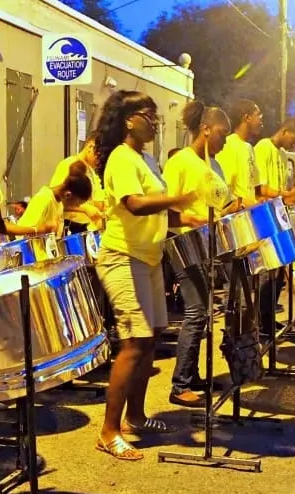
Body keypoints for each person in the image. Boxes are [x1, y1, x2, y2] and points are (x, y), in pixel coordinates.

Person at [93, 90, 197, 461]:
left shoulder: (147, 159)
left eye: (155, 114)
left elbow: (160, 211)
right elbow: (135, 205)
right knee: (133, 342)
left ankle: (135, 418)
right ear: (128, 120)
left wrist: (190, 218)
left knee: (150, 339)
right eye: (147, 114)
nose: (153, 121)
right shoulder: (122, 158)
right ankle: (108, 431)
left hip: (150, 257)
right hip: (123, 257)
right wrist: (176, 200)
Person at [164, 100, 236, 407]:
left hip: (207, 245)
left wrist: (237, 209)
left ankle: (191, 376)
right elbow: (164, 211)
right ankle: (180, 385)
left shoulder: (215, 165)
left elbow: (223, 206)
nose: (223, 141)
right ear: (205, 130)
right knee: (195, 312)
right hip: (183, 243)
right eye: (221, 134)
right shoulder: (180, 162)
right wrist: (192, 219)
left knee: (204, 312)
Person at [254, 117, 295, 332]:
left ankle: (268, 317)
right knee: (267, 273)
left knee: (279, 271)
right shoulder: (263, 148)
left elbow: (281, 187)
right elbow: (262, 188)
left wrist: (292, 197)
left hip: (279, 215)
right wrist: (287, 194)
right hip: (264, 216)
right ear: (285, 131)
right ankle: (260, 321)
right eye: (294, 138)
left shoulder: (284, 155)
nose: (294, 144)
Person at [19, 160, 92, 237]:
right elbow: (21, 231)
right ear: (68, 195)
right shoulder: (44, 198)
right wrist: (43, 229)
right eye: (77, 204)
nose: (77, 207)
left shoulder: (59, 203)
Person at [50, 133, 104, 233]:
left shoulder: (91, 171)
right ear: (90, 147)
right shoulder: (69, 164)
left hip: (85, 227)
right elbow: (57, 199)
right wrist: (85, 208)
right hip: (70, 225)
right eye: (99, 156)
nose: (99, 161)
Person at [216, 99, 264, 207]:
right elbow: (223, 190)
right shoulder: (228, 145)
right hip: (237, 217)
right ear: (247, 118)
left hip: (250, 216)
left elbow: (254, 189)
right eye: (259, 116)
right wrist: (241, 204)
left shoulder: (249, 148)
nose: (261, 122)